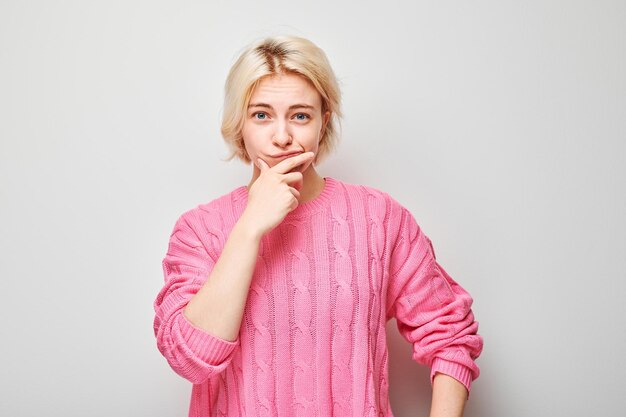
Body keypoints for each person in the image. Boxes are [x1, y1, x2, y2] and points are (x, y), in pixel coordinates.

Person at [153, 35, 483, 417]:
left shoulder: (379, 218)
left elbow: (450, 334)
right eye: (261, 115)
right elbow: (190, 359)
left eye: (300, 115)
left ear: (323, 122)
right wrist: (249, 228)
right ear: (238, 124)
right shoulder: (199, 231)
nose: (282, 137)